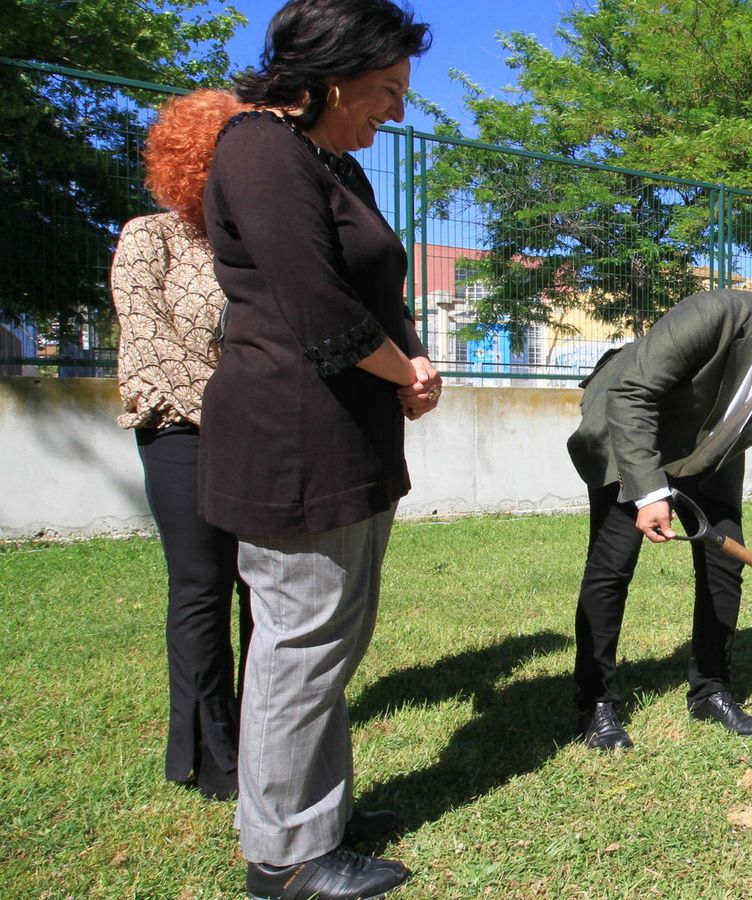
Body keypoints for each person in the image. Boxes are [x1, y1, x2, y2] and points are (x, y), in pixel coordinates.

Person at [199, 2, 438, 896]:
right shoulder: (259, 150)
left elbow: (376, 290)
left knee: (331, 641)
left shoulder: (334, 164)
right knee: (300, 643)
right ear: (334, 78)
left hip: (349, 437)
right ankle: (285, 856)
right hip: (292, 442)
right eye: (387, 90)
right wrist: (402, 371)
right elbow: (320, 308)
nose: (397, 111)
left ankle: (316, 813)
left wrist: (414, 359)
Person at [567, 275, 752, 751]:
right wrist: (649, 492)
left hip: (712, 449)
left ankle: (710, 690)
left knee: (725, 565)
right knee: (612, 566)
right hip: (633, 433)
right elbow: (632, 393)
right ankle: (596, 701)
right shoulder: (714, 315)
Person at [111, 88, 251, 802]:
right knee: (201, 587)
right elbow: (150, 345)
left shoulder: (253, 245)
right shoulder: (150, 238)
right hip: (179, 431)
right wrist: (238, 412)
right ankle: (211, 752)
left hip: (257, 438)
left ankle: (266, 736)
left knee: (263, 590)